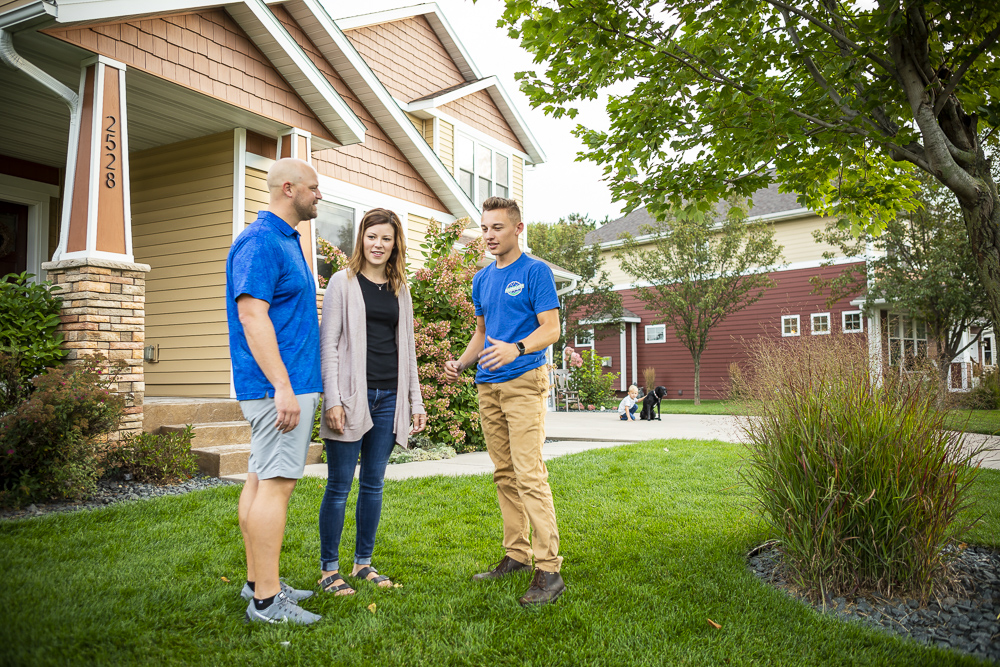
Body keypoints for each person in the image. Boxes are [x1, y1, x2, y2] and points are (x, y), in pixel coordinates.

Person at [443, 196, 566, 606]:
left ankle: (549, 569)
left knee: (529, 474)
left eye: (497, 227)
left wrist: (518, 347)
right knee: (504, 473)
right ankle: (517, 555)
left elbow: (551, 329)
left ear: (518, 228)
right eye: (484, 228)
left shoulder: (535, 272)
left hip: (524, 382)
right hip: (487, 384)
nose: (489, 235)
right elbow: (481, 332)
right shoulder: (481, 279)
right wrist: (461, 363)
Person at [226, 157, 323, 625]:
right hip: (278, 388)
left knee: (260, 480)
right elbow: (251, 315)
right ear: (289, 188)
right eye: (314, 188)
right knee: (277, 488)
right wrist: (283, 386)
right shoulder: (262, 240)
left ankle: (256, 580)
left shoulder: (287, 240)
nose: (319, 195)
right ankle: (266, 601)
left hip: (285, 384)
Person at [317, 208, 427, 597]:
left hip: (389, 397)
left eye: (386, 238)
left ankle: (362, 563)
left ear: (396, 243)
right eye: (372, 236)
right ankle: (329, 569)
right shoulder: (341, 283)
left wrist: (416, 401)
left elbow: (408, 350)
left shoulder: (400, 287)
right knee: (339, 485)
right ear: (361, 238)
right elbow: (327, 345)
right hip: (350, 397)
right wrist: (333, 398)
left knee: (373, 484)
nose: (378, 245)